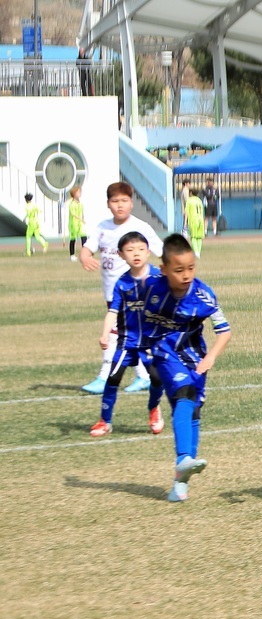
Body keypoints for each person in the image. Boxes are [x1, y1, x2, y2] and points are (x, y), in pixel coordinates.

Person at [140, 233, 232, 502]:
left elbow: (224, 331)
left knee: (194, 411)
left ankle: (180, 482)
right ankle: (183, 457)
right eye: (178, 270)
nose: (186, 274)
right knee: (184, 394)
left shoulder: (204, 295)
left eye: (191, 268)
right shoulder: (152, 288)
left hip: (195, 356)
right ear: (164, 269)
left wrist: (212, 356)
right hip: (163, 351)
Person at [79, 182, 162, 395]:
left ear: (132, 203)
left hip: (134, 292)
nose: (120, 205)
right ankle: (143, 376)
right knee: (127, 335)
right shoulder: (103, 227)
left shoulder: (141, 227)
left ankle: (105, 376)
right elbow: (88, 248)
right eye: (115, 201)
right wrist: (85, 257)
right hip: (111, 292)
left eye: (124, 201)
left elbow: (161, 251)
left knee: (116, 334)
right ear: (108, 204)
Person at [89, 231, 164, 438]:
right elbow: (113, 311)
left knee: (157, 379)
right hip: (127, 341)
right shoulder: (122, 283)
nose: (136, 254)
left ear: (148, 252)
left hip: (151, 342)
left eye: (140, 249)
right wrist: (105, 334)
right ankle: (105, 420)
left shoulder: (159, 277)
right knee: (113, 378)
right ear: (121, 255)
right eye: (130, 250)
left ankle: (154, 409)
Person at [66, 185, 87, 261]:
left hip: (80, 224)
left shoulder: (80, 203)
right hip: (73, 224)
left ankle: (85, 254)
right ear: (74, 193)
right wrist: (81, 219)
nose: (80, 193)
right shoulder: (72, 204)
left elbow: (82, 212)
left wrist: (83, 218)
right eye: (78, 192)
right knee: (73, 239)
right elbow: (73, 214)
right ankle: (72, 255)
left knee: (84, 237)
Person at [183, 189, 206, 257]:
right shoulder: (199, 200)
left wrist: (185, 223)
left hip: (193, 220)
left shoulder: (189, 200)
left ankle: (196, 252)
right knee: (199, 237)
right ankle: (198, 251)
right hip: (200, 220)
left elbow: (186, 212)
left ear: (191, 193)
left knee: (193, 237)